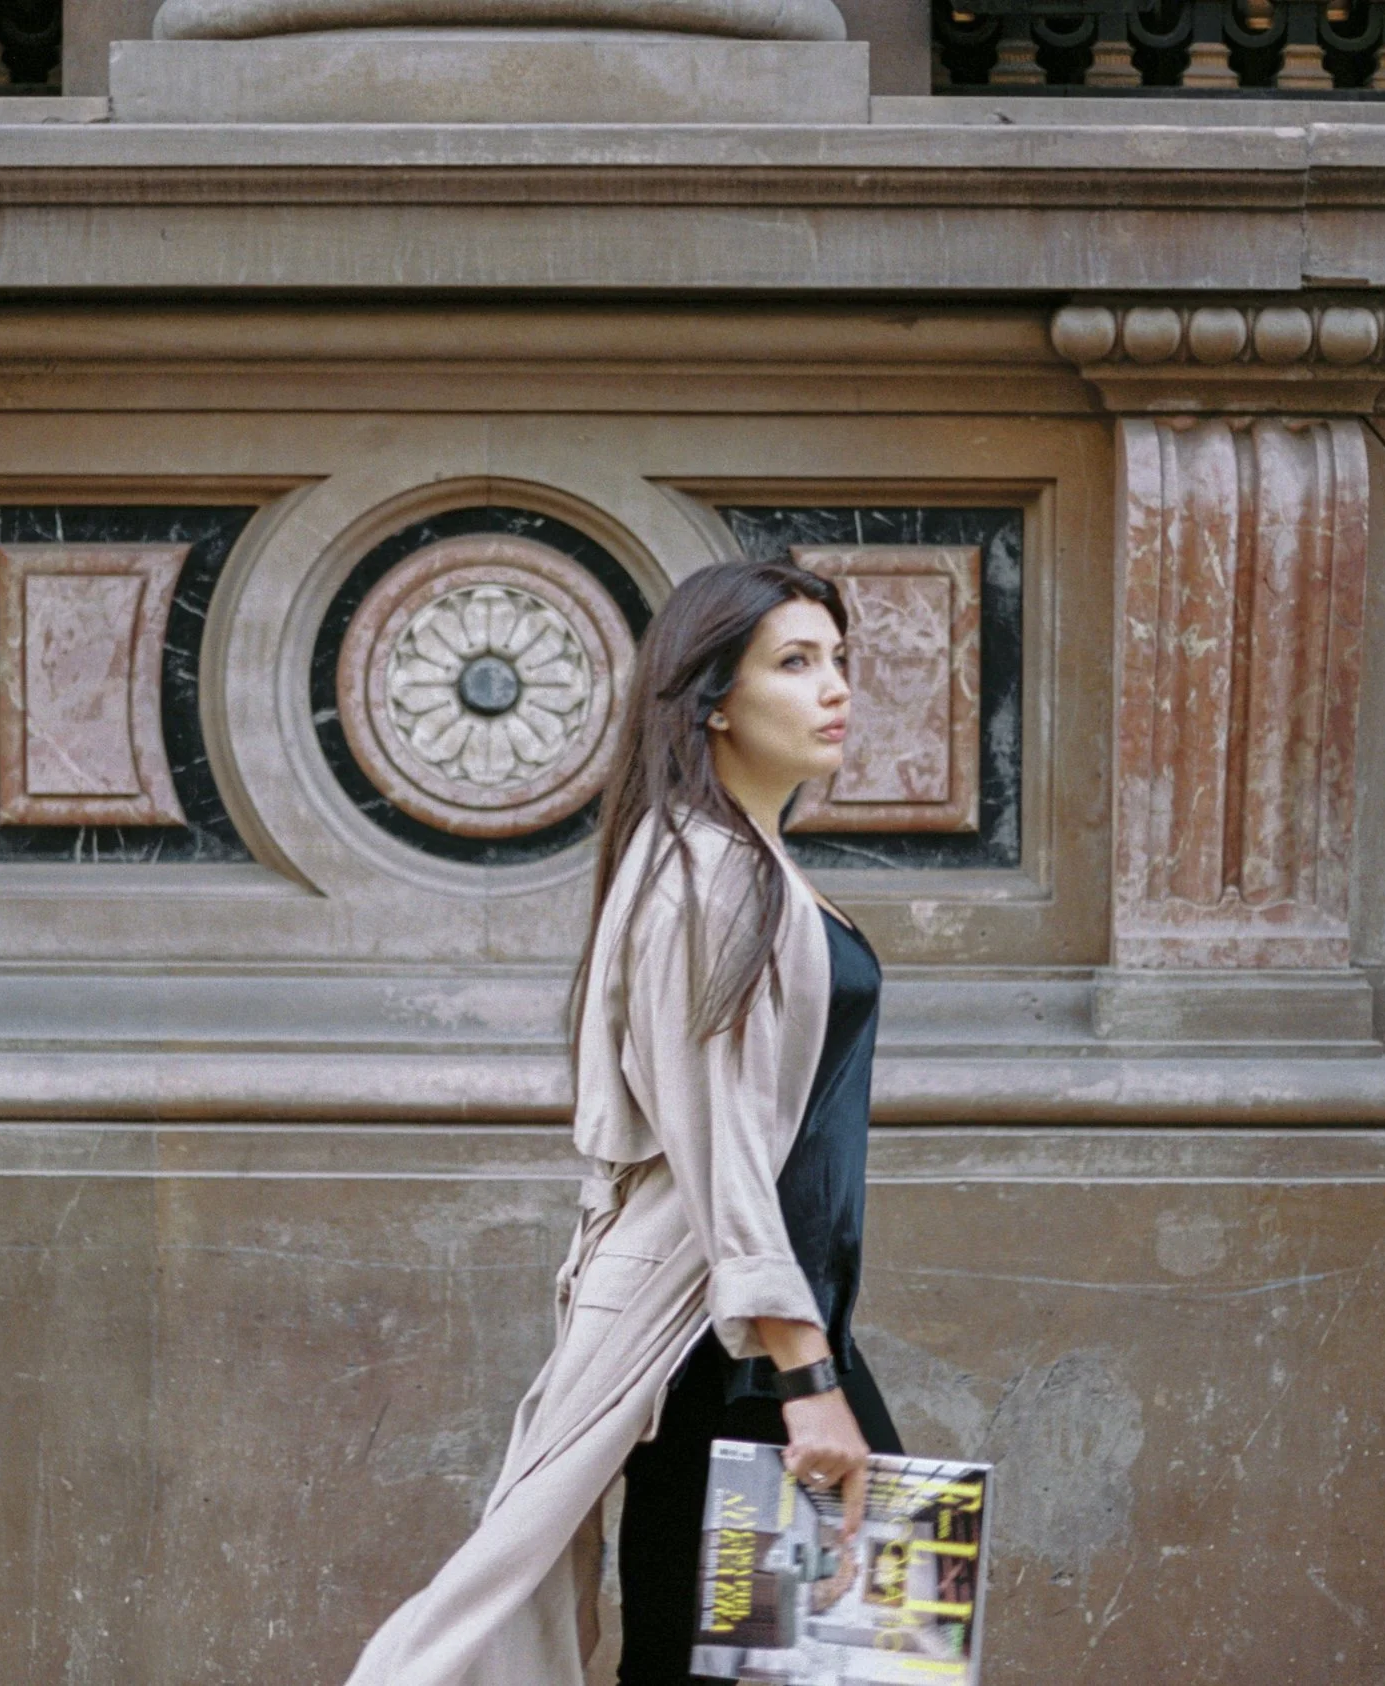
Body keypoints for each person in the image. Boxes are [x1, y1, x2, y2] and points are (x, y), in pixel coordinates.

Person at [342, 559, 902, 1686]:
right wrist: (806, 1381)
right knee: (778, 1655)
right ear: (711, 700)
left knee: (838, 1653)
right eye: (795, 663)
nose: (833, 686)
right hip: (723, 1345)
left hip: (756, 1335)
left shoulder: (745, 866)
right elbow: (721, 1150)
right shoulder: (704, 877)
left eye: (837, 661)